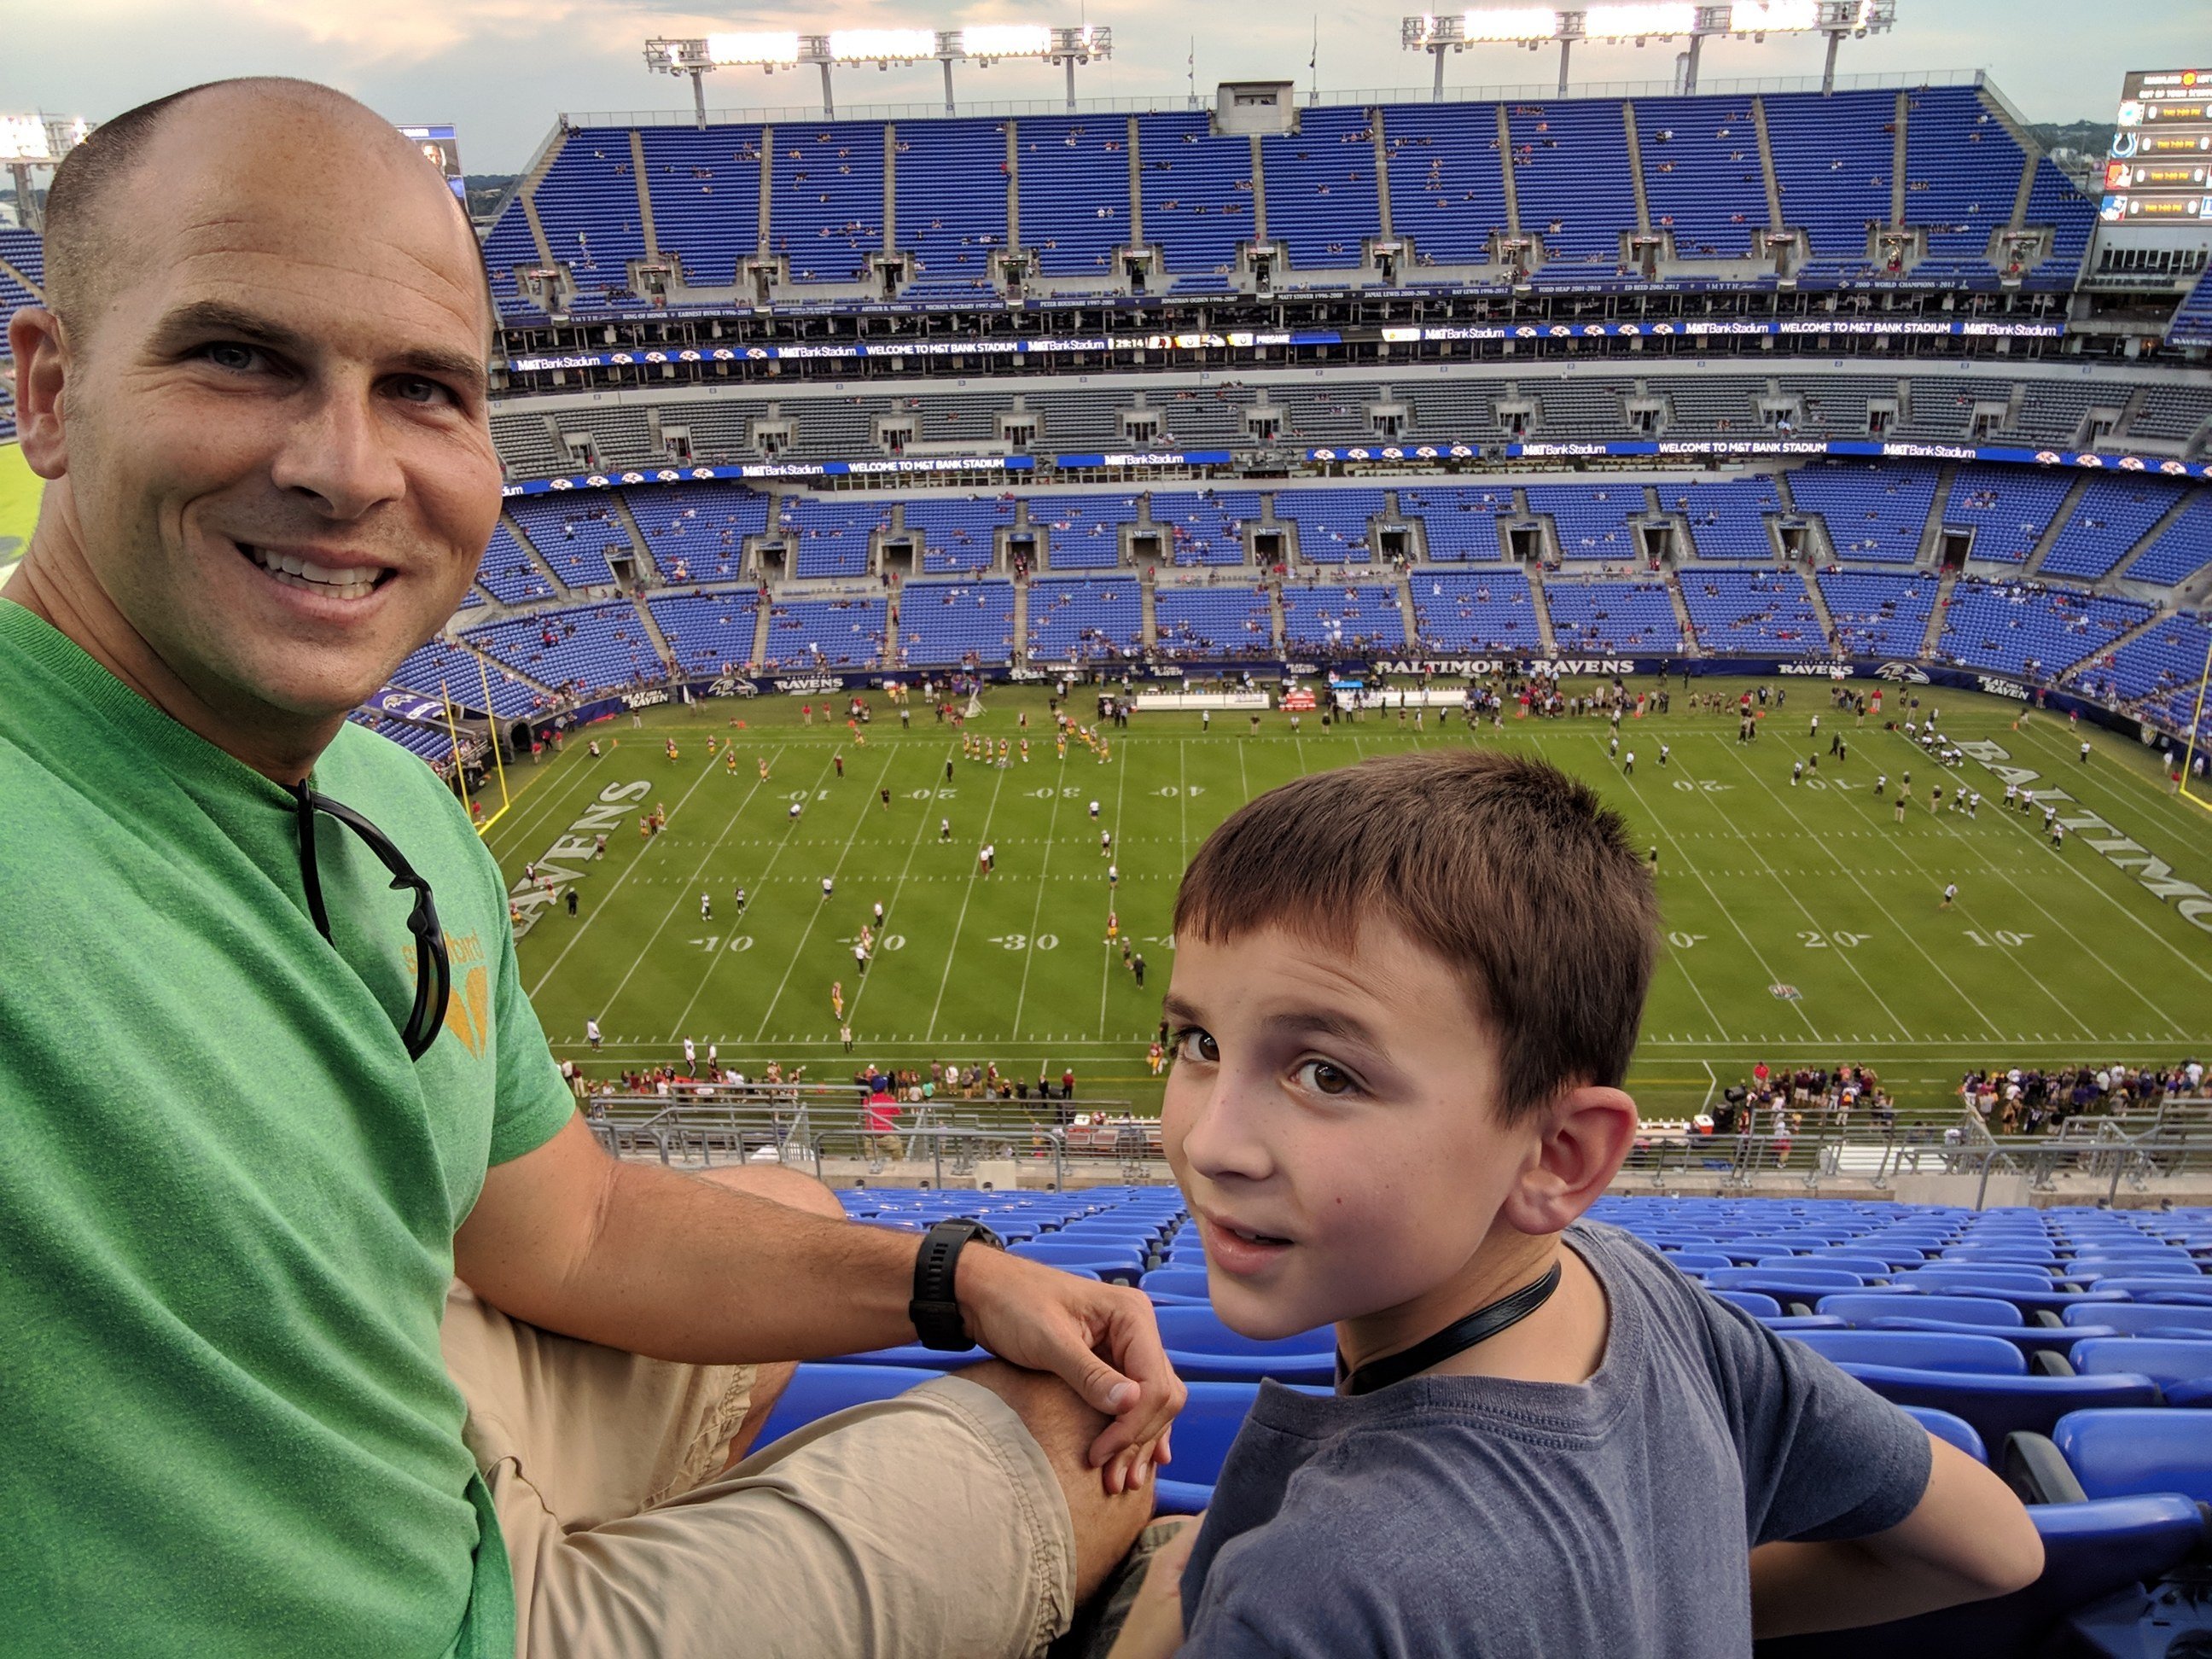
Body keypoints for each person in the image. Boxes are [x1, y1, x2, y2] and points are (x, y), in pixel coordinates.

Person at [0, 79, 1180, 1659]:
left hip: (413, 1436)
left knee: (795, 1195)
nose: (347, 468)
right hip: (421, 1619)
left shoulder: (391, 800)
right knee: (1074, 1432)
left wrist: (950, 1272)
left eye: (424, 387)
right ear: (51, 389)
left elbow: (576, 1233)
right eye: (239, 354)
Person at [1108, 749, 2041, 1656]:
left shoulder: (1301, 1596)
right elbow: (1995, 1545)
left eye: (1327, 1073)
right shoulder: (1647, 1295)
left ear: (1559, 1154)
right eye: (1198, 1044)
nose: (1209, 1141)